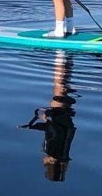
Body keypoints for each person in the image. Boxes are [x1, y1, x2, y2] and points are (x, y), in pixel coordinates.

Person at [20, 51, 77, 182]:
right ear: (50, 163)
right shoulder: (53, 151)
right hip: (59, 113)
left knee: (64, 84)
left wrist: (32, 127)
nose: (42, 161)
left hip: (66, 115)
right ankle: (61, 55)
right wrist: (46, 115)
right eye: (44, 164)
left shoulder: (63, 154)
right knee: (59, 84)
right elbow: (53, 131)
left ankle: (68, 57)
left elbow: (54, 131)